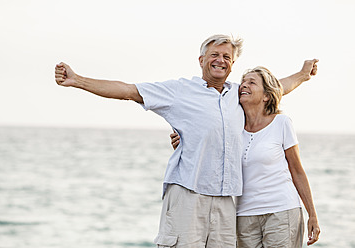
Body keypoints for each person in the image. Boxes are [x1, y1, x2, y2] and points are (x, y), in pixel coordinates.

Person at [54, 34, 318, 248]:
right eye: (214, 54)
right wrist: (77, 80)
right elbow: (128, 91)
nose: (220, 60)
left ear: (232, 65)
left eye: (227, 57)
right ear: (202, 59)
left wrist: (303, 74)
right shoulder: (179, 91)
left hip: (227, 201)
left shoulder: (237, 95)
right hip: (189, 192)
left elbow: (275, 88)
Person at [170, 67, 320, 247]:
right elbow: (207, 149)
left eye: (252, 82)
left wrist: (312, 214)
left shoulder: (282, 123)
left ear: (266, 95)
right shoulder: (232, 128)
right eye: (244, 81)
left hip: (281, 211)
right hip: (244, 215)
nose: (244, 86)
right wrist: (185, 142)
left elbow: (297, 171)